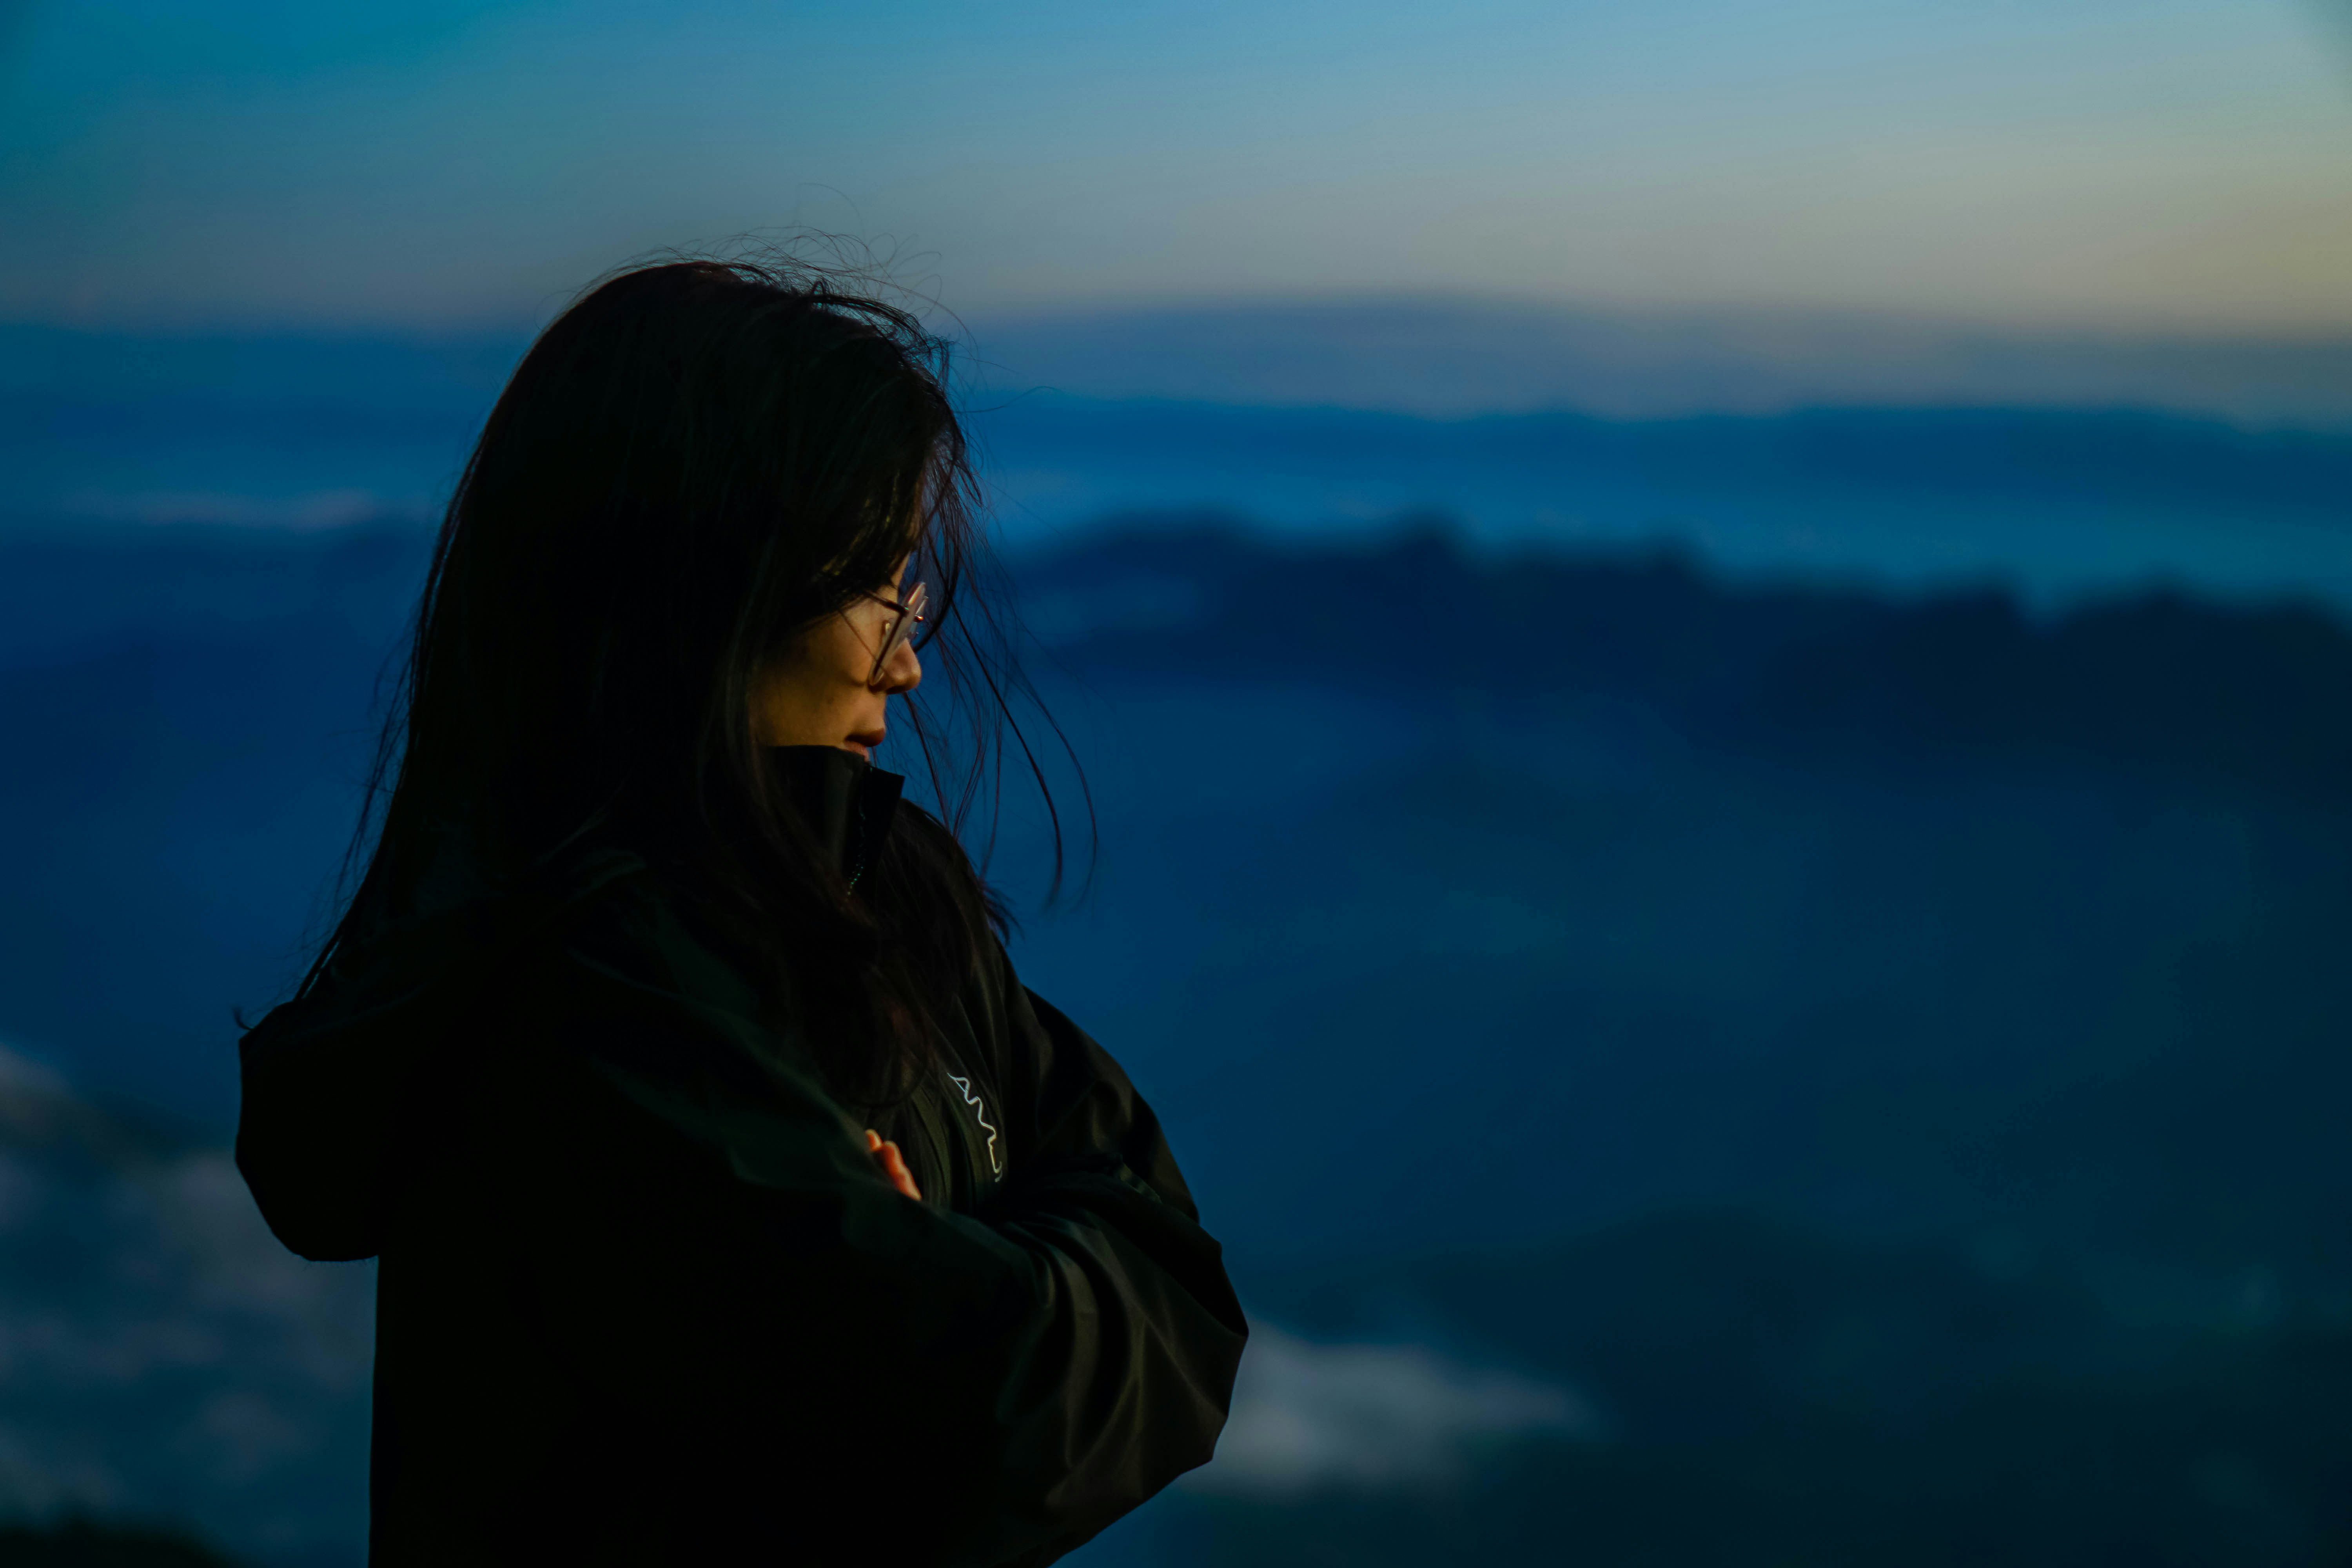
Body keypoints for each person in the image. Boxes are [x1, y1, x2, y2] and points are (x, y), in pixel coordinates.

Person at [233, 258, 1248, 1565]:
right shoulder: (591, 1004)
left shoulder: (879, 886)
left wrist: (960, 1269)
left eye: (910, 592)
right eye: (878, 588)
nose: (912, 656)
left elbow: (1177, 1273)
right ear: (713, 590)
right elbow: (978, 1412)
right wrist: (1000, 1263)